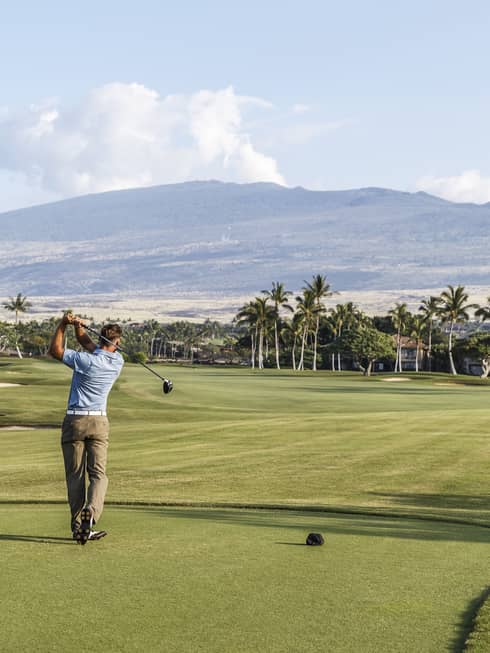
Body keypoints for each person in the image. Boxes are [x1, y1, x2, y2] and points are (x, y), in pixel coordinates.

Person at [49, 313, 124, 545]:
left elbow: (55, 350)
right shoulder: (117, 361)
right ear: (117, 343)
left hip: (75, 421)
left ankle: (77, 524)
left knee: (75, 475)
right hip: (99, 423)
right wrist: (79, 328)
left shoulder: (84, 360)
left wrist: (64, 324)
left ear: (100, 338)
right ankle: (90, 514)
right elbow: (88, 343)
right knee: (98, 475)